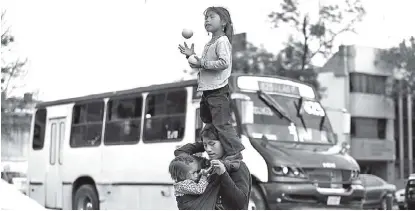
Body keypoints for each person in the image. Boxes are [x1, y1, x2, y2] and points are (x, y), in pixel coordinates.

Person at [178, 6, 244, 157]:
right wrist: (191, 56)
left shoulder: (222, 41)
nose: (207, 20)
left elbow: (223, 63)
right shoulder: (210, 43)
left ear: (224, 22)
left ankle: (235, 156)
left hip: (218, 90)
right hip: (207, 91)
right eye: (206, 18)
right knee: (208, 124)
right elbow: (202, 65)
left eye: (211, 17)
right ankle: (212, 151)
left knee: (222, 124)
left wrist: (202, 63)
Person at [174, 124, 251, 210]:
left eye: (212, 144)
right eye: (205, 146)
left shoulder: (237, 166)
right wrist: (204, 142)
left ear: (224, 143)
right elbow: (179, 153)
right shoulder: (208, 164)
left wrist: (223, 174)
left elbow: (241, 203)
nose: (208, 149)